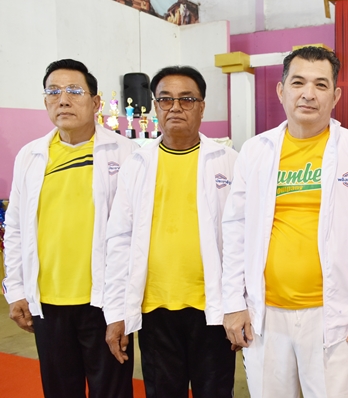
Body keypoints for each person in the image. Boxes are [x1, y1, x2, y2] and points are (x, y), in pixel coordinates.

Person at [221, 46, 348, 398]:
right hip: (265, 315)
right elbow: (235, 229)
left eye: (321, 84)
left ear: (336, 96)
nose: (308, 93)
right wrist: (233, 303)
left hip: (336, 317)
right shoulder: (255, 151)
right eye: (298, 82)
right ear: (281, 90)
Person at [2, 59, 138, 398]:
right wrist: (15, 289)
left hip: (105, 302)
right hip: (48, 303)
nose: (63, 100)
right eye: (53, 92)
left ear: (96, 102)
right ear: (45, 101)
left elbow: (136, 232)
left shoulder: (127, 154)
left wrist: (127, 303)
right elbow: (15, 226)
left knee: (113, 392)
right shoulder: (30, 156)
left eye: (74, 91)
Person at [103, 65, 237, 398]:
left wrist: (240, 304)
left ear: (202, 107)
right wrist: (116, 312)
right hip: (155, 310)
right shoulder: (137, 164)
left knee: (216, 392)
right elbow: (119, 239)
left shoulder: (230, 162)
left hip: (213, 309)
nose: (175, 107)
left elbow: (242, 240)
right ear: (155, 107)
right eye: (165, 99)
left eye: (186, 99)